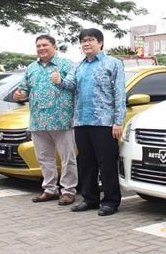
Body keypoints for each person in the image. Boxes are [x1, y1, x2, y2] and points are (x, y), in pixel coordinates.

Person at [51, 28, 125, 216]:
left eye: (91, 40)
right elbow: (69, 85)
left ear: (100, 42)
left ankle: (110, 201)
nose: (86, 44)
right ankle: (90, 198)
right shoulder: (78, 66)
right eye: (83, 41)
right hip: (82, 120)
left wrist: (118, 121)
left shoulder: (113, 63)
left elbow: (119, 93)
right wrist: (59, 81)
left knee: (106, 163)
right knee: (86, 162)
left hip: (104, 122)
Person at [13, 34, 77, 205]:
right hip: (38, 120)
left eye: (45, 45)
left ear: (54, 47)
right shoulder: (31, 68)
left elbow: (75, 85)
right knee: (44, 157)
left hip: (61, 119)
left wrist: (60, 80)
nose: (41, 48)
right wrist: (19, 95)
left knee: (67, 158)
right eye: (38, 46)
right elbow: (24, 90)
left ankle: (68, 191)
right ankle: (50, 189)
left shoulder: (66, 64)